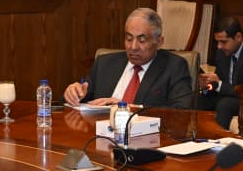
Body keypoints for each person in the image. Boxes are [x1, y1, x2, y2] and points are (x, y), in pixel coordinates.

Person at [63, 7, 192, 109]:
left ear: (159, 42)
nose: (133, 47)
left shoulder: (174, 67)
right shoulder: (105, 63)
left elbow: (181, 111)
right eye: (129, 39)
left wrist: (127, 108)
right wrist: (73, 94)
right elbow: (81, 98)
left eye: (142, 40)